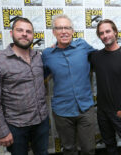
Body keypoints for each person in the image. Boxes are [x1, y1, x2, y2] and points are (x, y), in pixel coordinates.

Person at [0, 17, 49, 155]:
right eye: (20, 30)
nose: (24, 34)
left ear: (33, 35)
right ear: (11, 33)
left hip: (41, 121)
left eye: (28, 31)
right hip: (16, 126)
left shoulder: (39, 56)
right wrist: (2, 131)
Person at [42, 14, 96, 155]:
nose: (64, 31)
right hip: (62, 111)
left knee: (89, 149)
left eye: (67, 27)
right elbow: (40, 76)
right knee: (68, 149)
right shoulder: (47, 54)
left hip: (85, 109)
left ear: (72, 31)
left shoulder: (83, 46)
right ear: (54, 32)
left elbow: (104, 57)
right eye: (59, 28)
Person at [89, 19, 121, 155]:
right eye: (101, 33)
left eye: (108, 31)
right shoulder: (95, 56)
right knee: (110, 145)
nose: (105, 35)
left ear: (115, 32)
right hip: (102, 111)